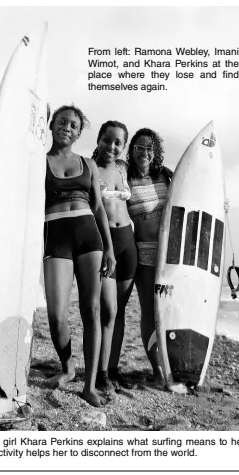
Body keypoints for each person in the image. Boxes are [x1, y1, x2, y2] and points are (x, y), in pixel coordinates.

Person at [0, 105, 115, 407]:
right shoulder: (37, 162)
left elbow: (99, 208)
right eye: (62, 122)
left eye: (74, 125)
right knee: (55, 314)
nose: (67, 127)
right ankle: (67, 367)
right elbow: (1, 181)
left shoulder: (88, 163)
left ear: (79, 133)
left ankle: (89, 385)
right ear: (50, 126)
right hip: (56, 238)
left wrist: (110, 250)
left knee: (91, 310)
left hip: (89, 237)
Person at [91, 121, 137, 391]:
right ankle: (100, 372)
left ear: (123, 146)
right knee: (107, 312)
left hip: (127, 243)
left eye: (118, 142)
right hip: (104, 244)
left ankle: (113, 368)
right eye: (107, 140)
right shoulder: (88, 167)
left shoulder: (123, 168)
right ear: (99, 139)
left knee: (119, 314)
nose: (112, 146)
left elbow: (159, 176)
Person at [125, 127, 173, 387]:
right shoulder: (126, 178)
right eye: (140, 147)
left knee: (170, 311)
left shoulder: (166, 176)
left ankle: (173, 365)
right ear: (132, 149)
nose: (145, 152)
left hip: (170, 254)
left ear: (156, 153)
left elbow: (192, 197)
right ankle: (156, 369)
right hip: (143, 252)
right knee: (149, 313)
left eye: (150, 148)